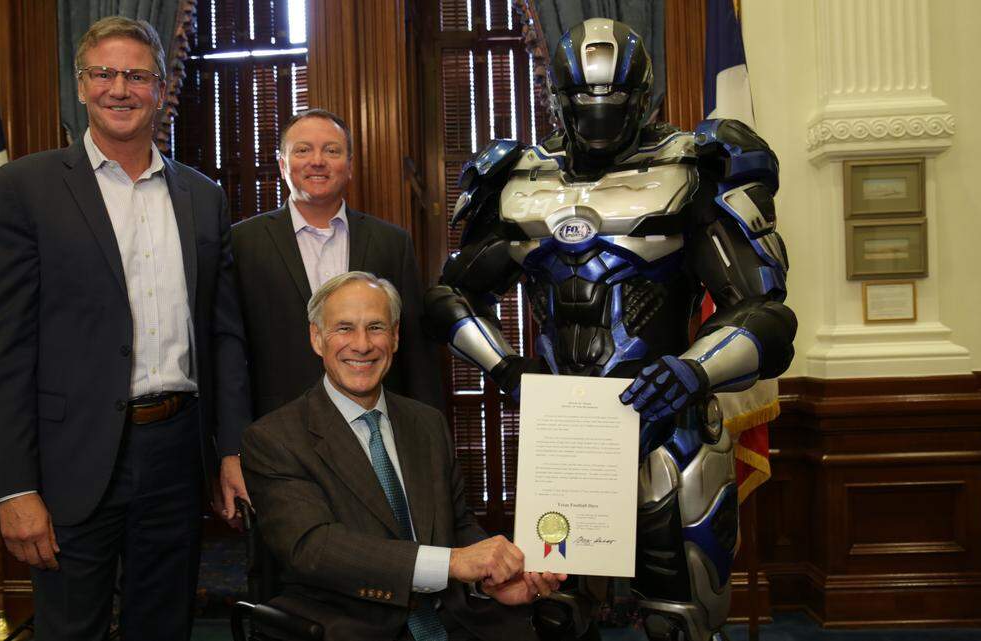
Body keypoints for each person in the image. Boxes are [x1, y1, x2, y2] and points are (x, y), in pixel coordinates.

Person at [424, 18, 796, 641]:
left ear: (642, 96)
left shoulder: (696, 168)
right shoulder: (518, 179)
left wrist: (692, 370)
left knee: (681, 619)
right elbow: (448, 297)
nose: (598, 114)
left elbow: (765, 313)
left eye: (614, 98)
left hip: (667, 424)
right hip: (564, 436)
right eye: (582, 99)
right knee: (555, 614)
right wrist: (506, 367)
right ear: (558, 98)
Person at [0, 16, 251, 640]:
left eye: (136, 75)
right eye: (103, 74)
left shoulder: (202, 197)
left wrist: (230, 449)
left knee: (165, 626)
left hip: (177, 453)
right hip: (70, 459)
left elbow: (223, 338)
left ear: (161, 88)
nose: (119, 89)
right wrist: (13, 487)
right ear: (80, 85)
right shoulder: (25, 188)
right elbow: (2, 350)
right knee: (72, 629)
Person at [241, 271, 563, 641]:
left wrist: (491, 580)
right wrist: (452, 563)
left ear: (394, 337)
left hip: (452, 614)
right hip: (350, 623)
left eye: (375, 327)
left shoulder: (427, 423)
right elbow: (314, 549)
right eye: (344, 328)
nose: (362, 345)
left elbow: (458, 525)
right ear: (317, 338)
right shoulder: (274, 439)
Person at [230, 109, 443, 420]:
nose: (317, 161)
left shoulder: (392, 243)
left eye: (331, 150)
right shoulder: (242, 242)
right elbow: (231, 354)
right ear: (282, 164)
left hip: (374, 420)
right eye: (303, 150)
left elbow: (416, 353)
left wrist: (428, 431)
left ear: (350, 165)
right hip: (278, 425)